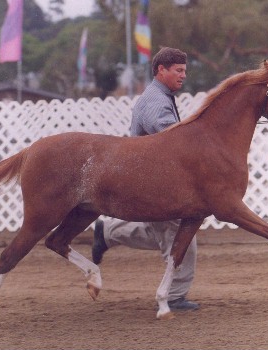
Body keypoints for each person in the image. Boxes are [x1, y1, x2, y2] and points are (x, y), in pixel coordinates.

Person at [92, 47, 199, 312]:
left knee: (160, 234)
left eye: (184, 70)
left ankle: (107, 233)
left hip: (153, 184)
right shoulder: (155, 100)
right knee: (182, 240)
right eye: (178, 70)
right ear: (161, 70)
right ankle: (173, 297)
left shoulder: (160, 96)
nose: (183, 76)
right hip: (155, 187)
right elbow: (170, 137)